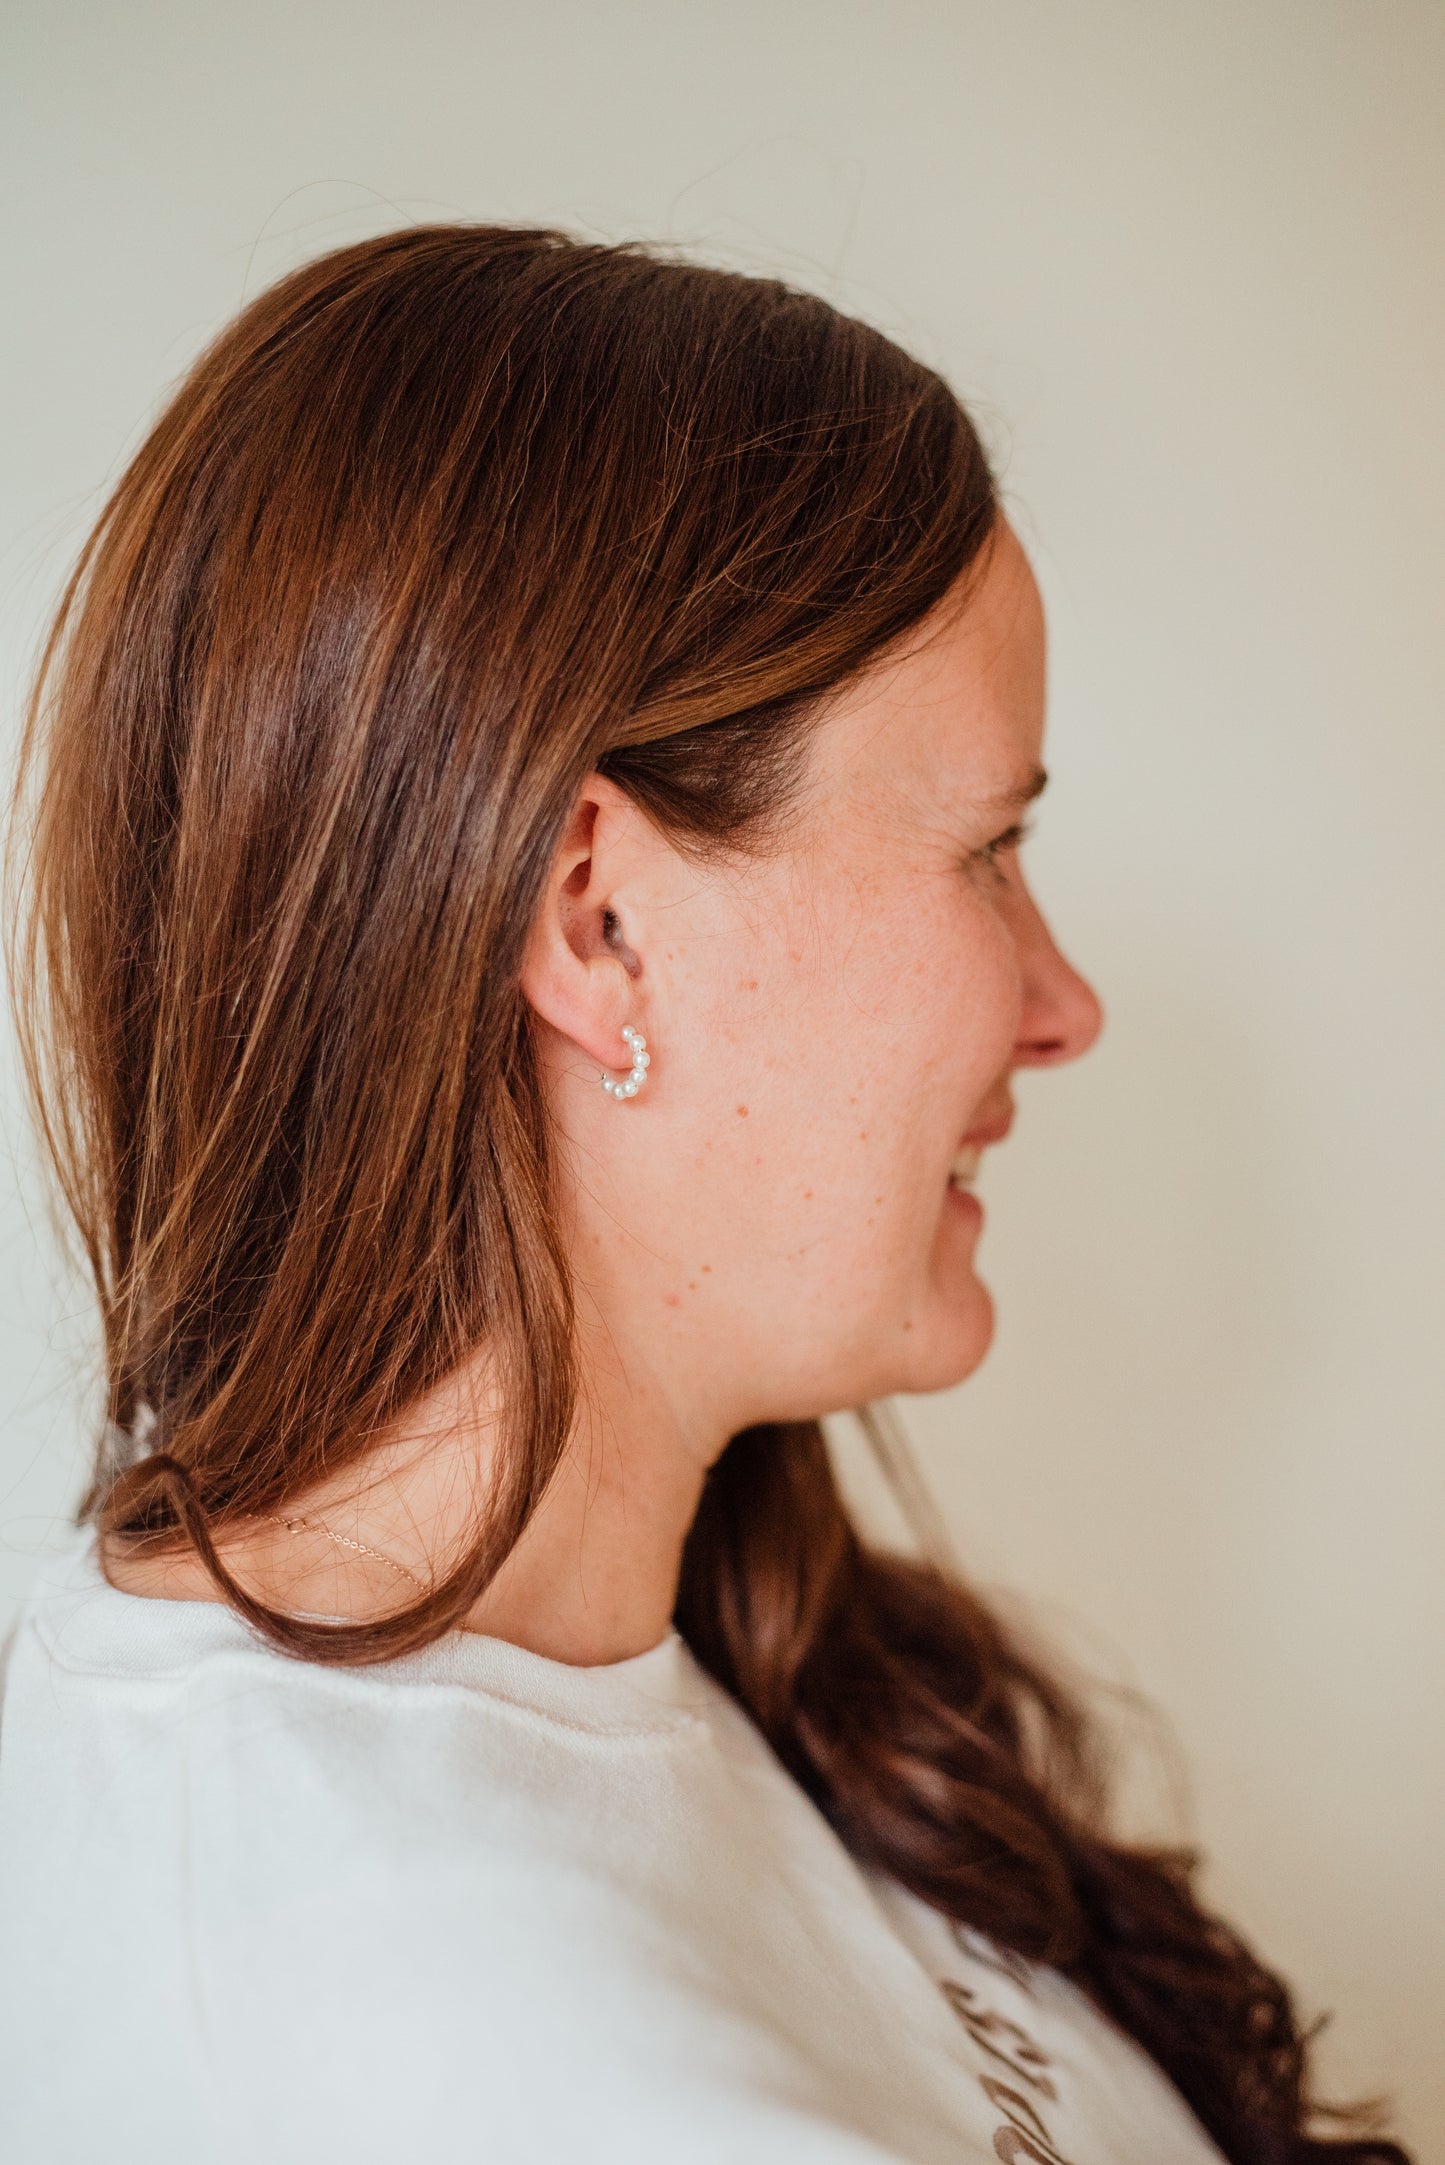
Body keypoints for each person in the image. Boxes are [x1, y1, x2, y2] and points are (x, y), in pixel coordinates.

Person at [0, 225, 1407, 2165]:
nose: (1065, 1007)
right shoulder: (435, 2045)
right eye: (989, 849)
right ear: (601, 923)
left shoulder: (672, 1647)